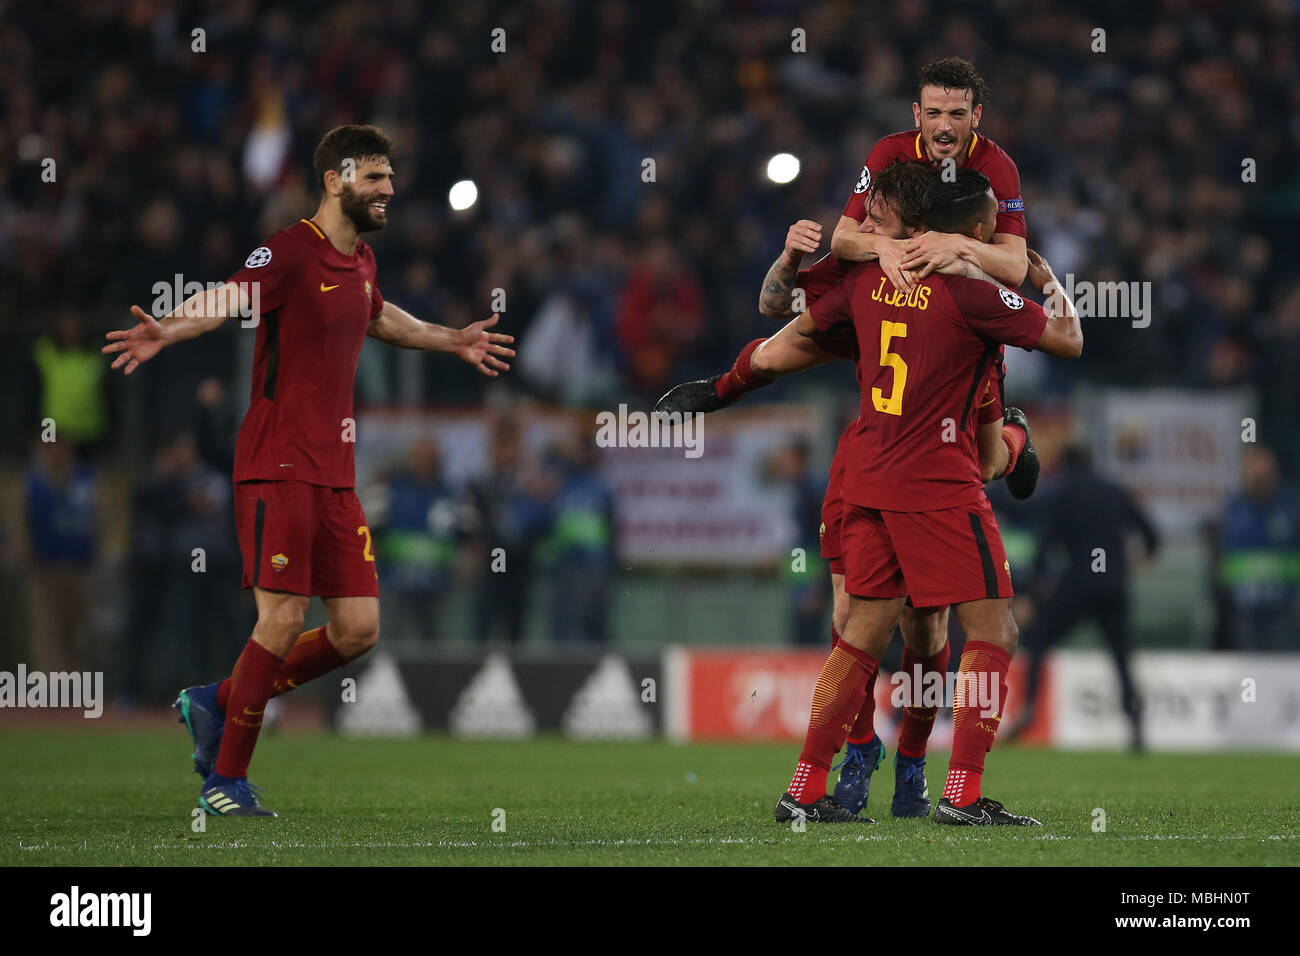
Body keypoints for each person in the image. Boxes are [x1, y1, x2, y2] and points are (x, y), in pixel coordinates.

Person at [103, 124, 515, 817]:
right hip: (277, 463)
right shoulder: (292, 250)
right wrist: (167, 328)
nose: (390, 191)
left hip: (336, 475)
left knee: (357, 630)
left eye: (391, 178)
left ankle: (215, 701)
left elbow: (381, 319)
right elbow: (232, 295)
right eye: (377, 179)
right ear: (336, 180)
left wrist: (452, 340)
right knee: (283, 617)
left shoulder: (361, 264)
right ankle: (223, 783)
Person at [773, 167, 1083, 824]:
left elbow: (791, 319)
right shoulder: (970, 294)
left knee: (859, 634)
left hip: (869, 477)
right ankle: (962, 795)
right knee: (994, 628)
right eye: (993, 230)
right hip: (938, 484)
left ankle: (803, 787)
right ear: (974, 232)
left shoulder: (868, 280)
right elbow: (1069, 339)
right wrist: (1045, 278)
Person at [1005, 444, 1159, 751]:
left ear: (1064, 465)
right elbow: (1151, 535)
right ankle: (1135, 720)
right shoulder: (1115, 491)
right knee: (1121, 656)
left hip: (1078, 583)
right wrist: (1139, 560)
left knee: (1038, 639)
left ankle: (1029, 708)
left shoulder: (1060, 492)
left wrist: (1032, 593)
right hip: (1113, 585)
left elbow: (1046, 544)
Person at [1213, 446, 1298, 650]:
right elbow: (1221, 553)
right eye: (1255, 476)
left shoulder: (1290, 507)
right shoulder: (1233, 508)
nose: (1260, 481)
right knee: (1249, 665)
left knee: (1282, 665)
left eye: (1265, 475)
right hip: (1244, 603)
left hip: (1282, 603)